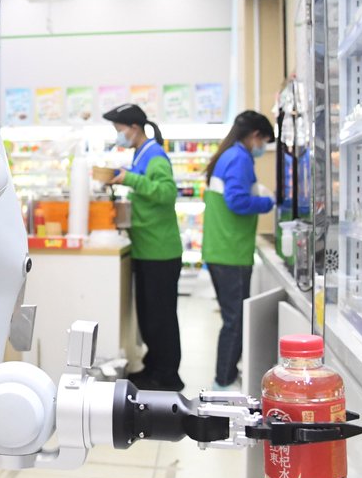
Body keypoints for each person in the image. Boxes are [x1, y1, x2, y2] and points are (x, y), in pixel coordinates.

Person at [104, 102, 184, 391]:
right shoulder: (141, 154)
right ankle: (154, 367)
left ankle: (168, 375)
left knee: (161, 316)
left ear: (134, 128)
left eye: (119, 129)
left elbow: (166, 193)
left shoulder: (156, 156)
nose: (118, 135)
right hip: (146, 247)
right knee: (150, 316)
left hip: (160, 251)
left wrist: (131, 178)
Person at [202, 110, 277, 390]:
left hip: (224, 249)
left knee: (232, 319)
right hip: (230, 251)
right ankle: (223, 381)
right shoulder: (240, 158)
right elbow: (237, 201)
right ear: (255, 136)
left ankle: (225, 377)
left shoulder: (230, 155)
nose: (262, 149)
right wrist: (268, 202)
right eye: (264, 142)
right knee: (234, 321)